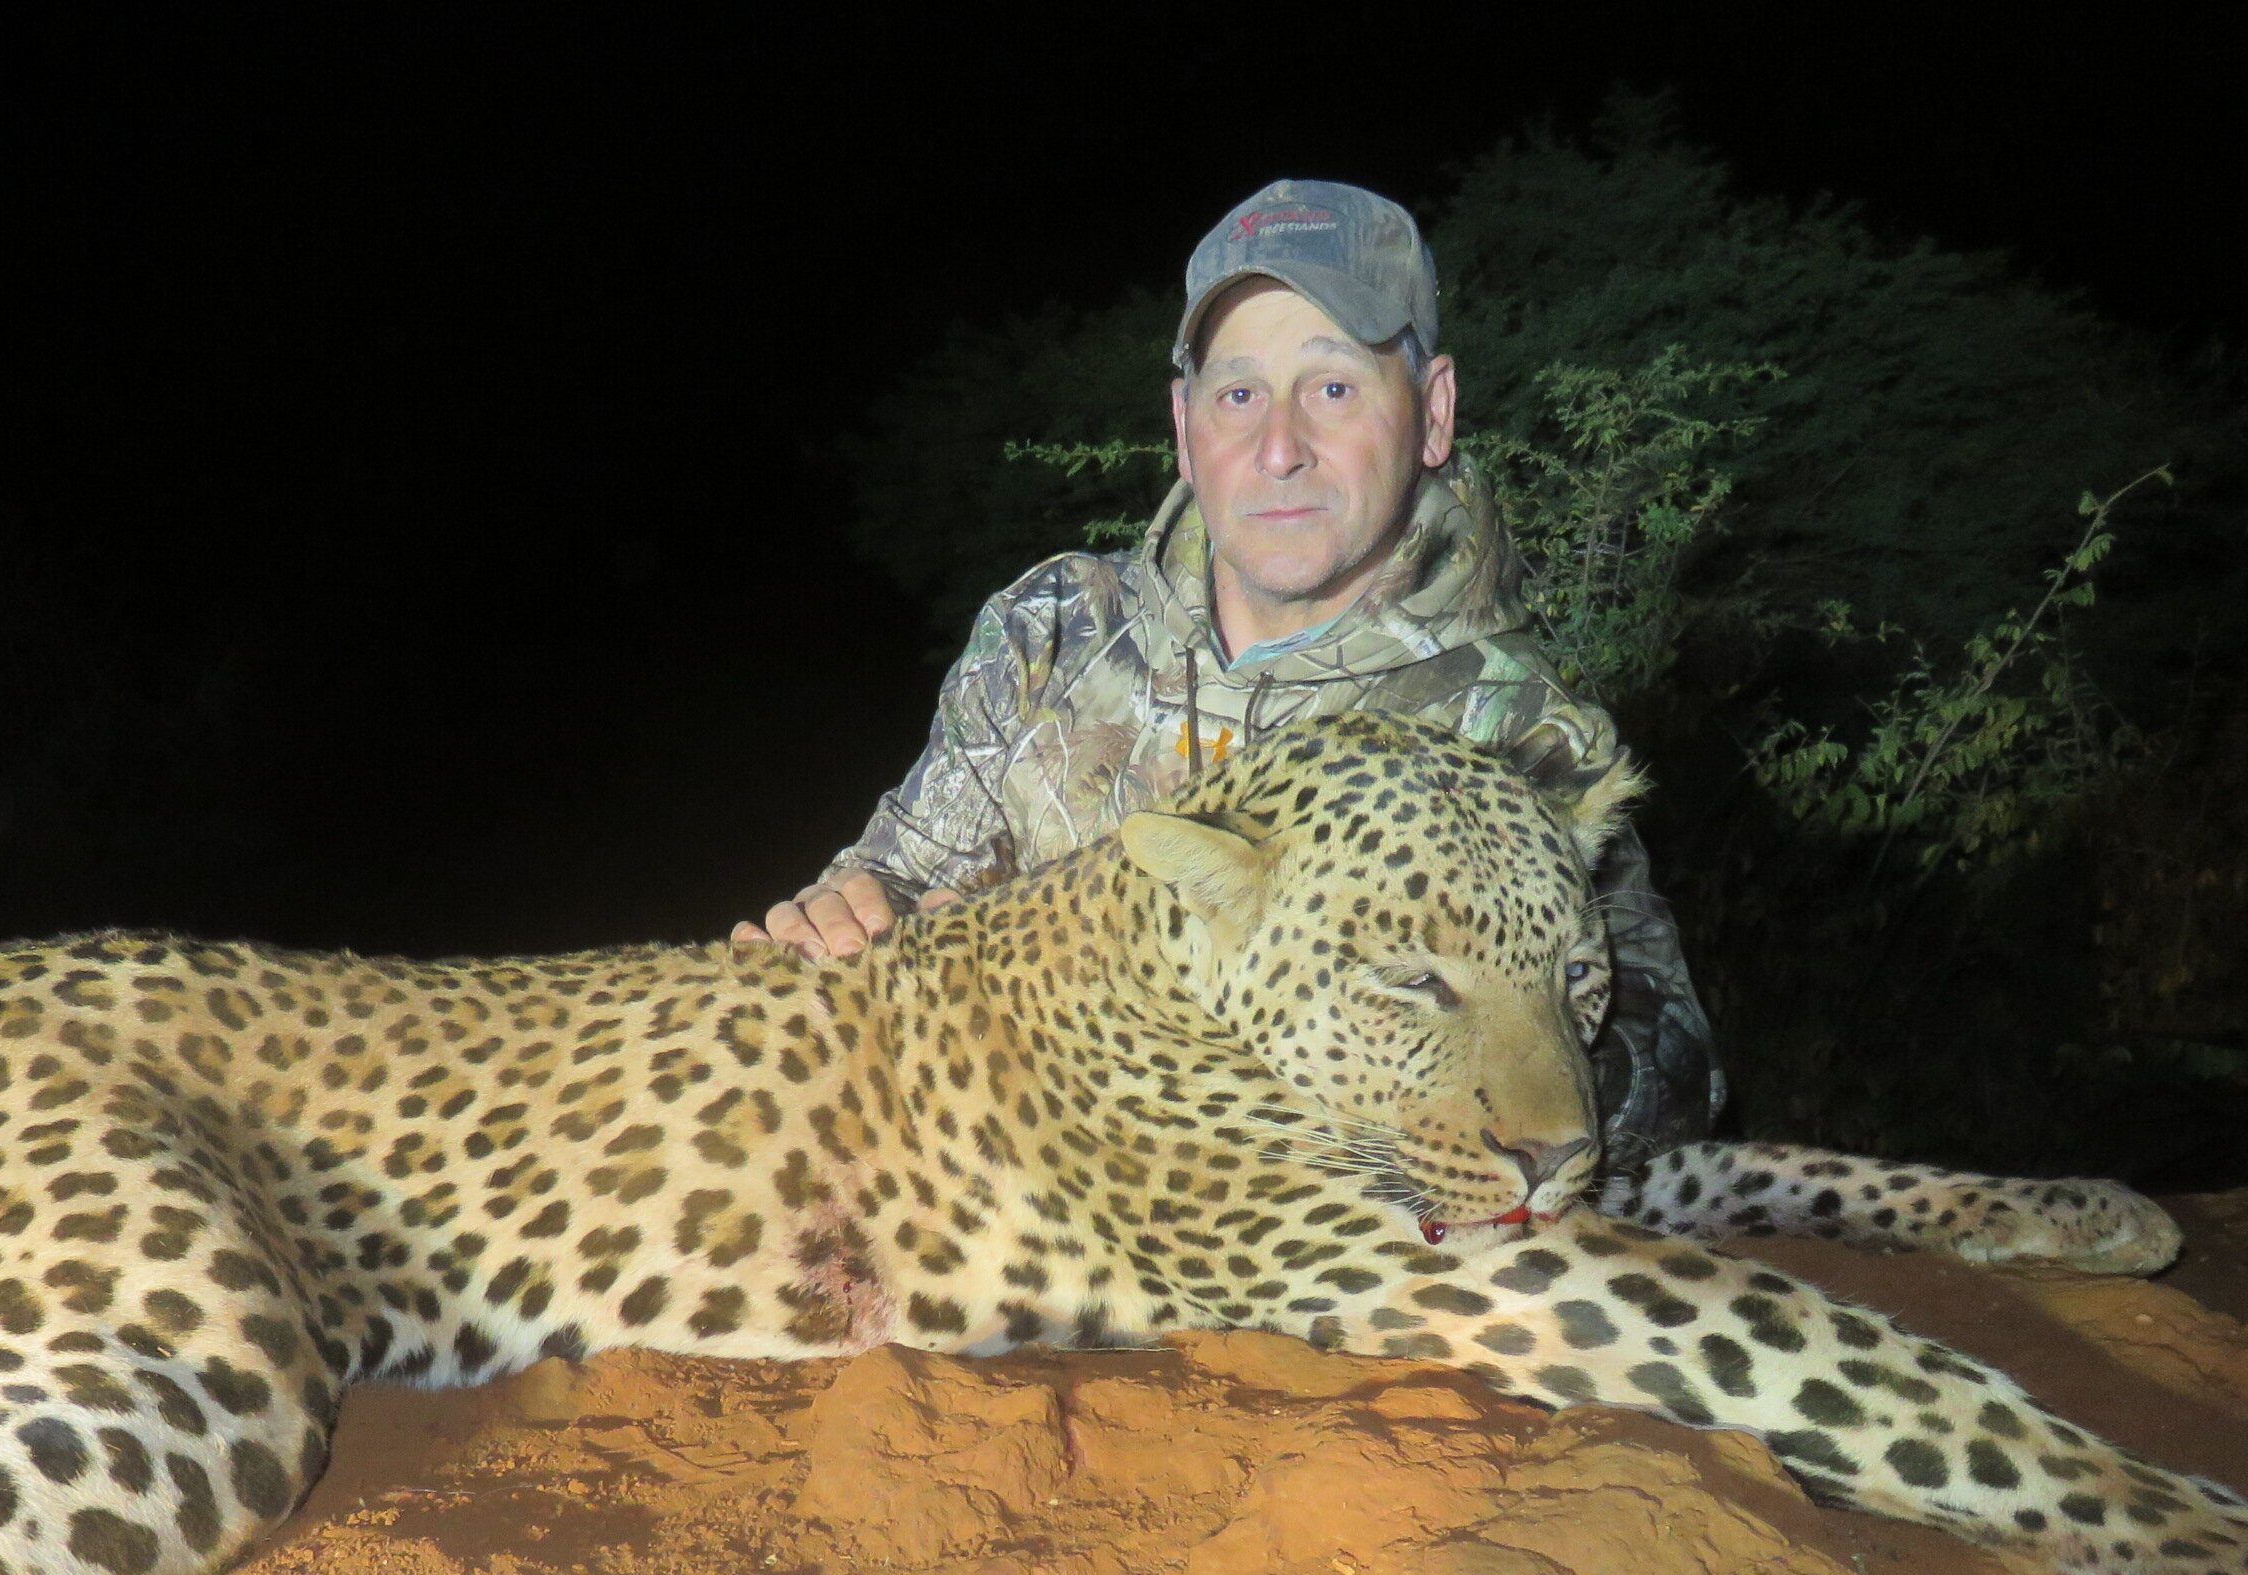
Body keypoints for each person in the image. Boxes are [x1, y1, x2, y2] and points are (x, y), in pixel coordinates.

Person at [737, 178, 1720, 1165]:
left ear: (1433, 412)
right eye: (1238, 394)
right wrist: (853, 912)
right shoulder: (1053, 629)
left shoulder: (1515, 732)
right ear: (1183, 423)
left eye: (1334, 388)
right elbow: (896, 875)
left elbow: (1668, 1066)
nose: (1279, 448)